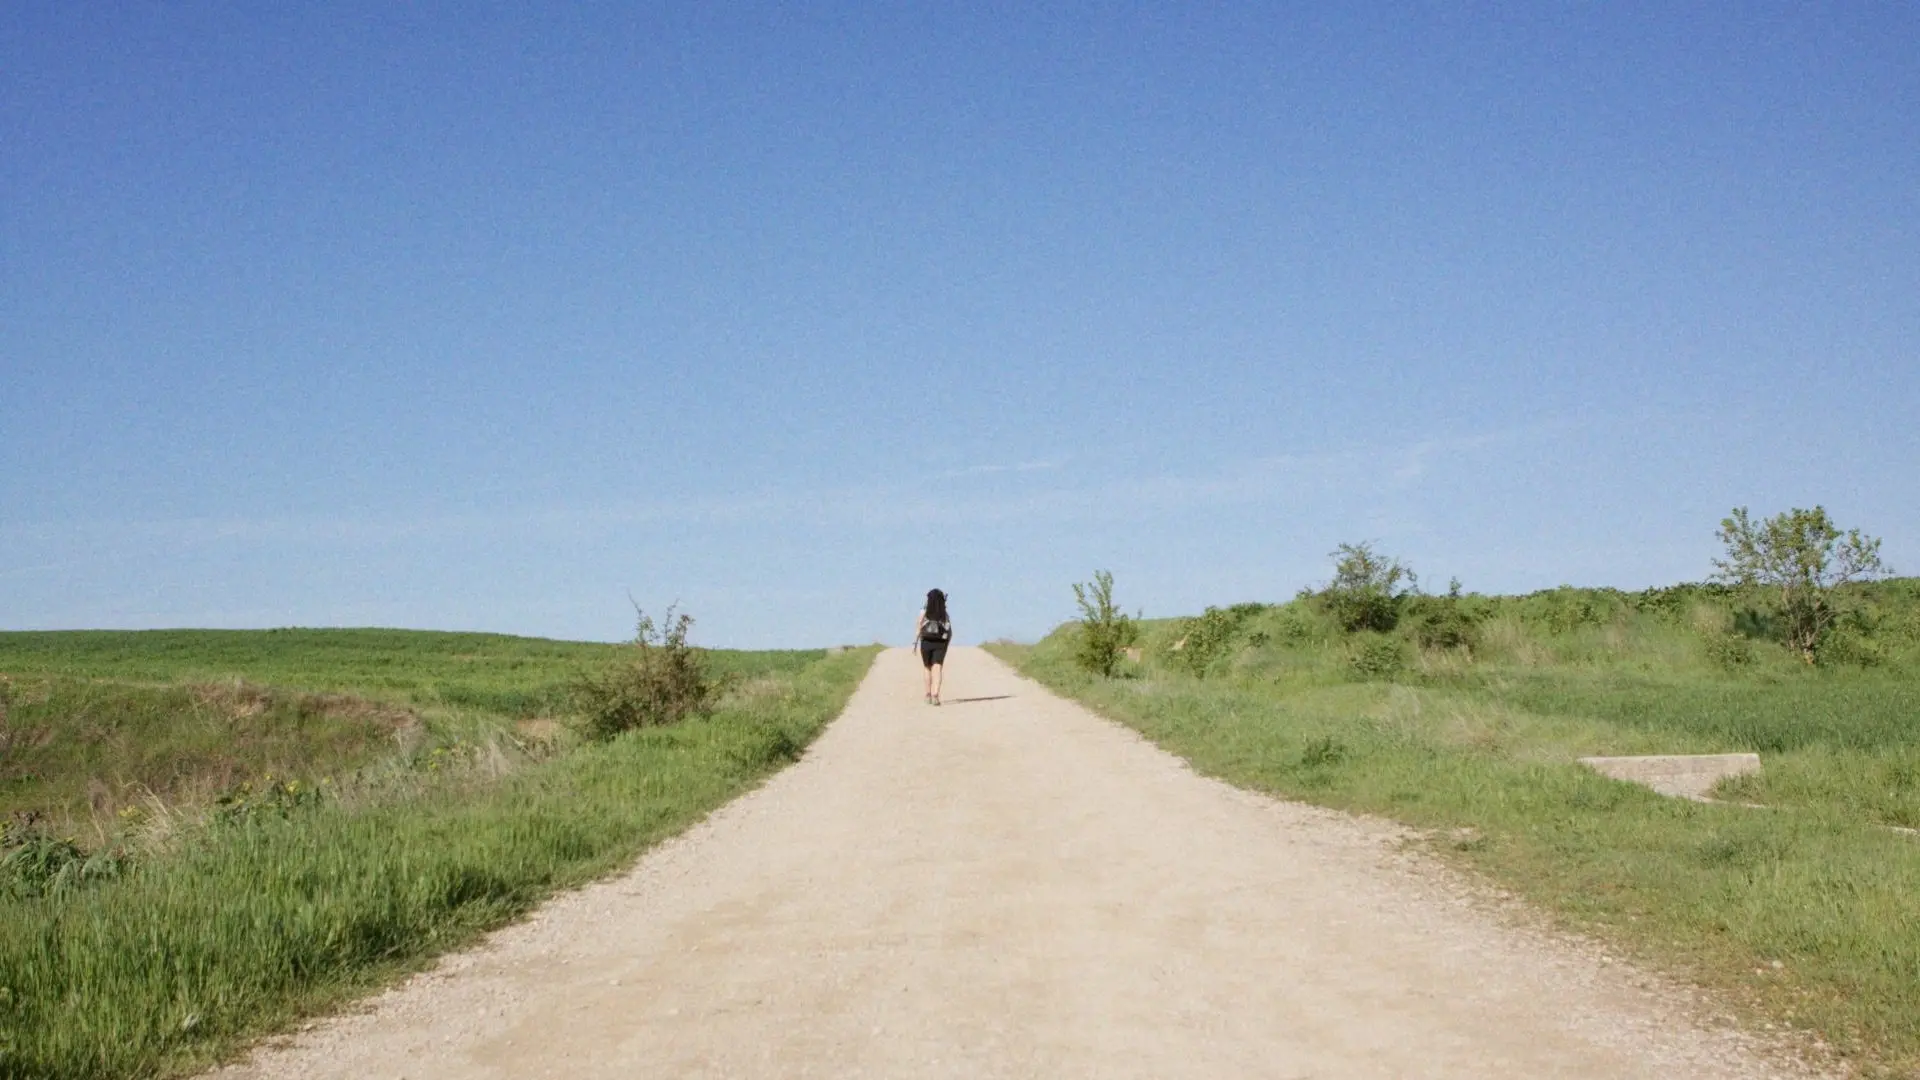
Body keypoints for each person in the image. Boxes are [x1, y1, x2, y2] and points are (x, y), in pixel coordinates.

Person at [913, 588, 951, 705]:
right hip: (940, 642)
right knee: (938, 668)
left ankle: (928, 694)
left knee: (927, 667)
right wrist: (947, 642)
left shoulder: (924, 610)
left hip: (926, 641)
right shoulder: (944, 613)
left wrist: (915, 642)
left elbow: (919, 624)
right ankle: (936, 695)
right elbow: (949, 630)